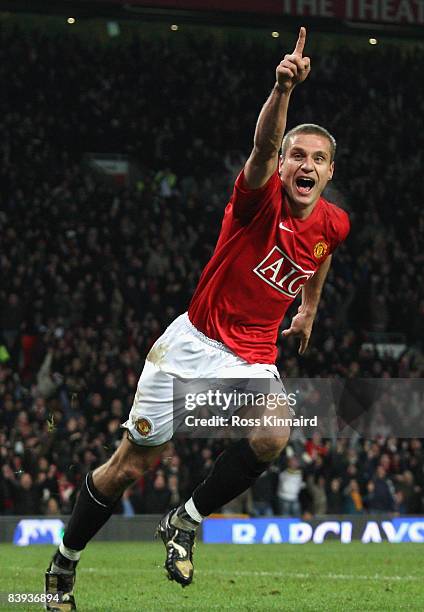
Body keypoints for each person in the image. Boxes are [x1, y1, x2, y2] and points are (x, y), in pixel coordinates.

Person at [45, 27, 349, 609]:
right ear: (283, 165)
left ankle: (183, 520)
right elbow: (260, 149)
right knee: (131, 467)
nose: (305, 165)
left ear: (330, 172)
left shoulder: (333, 223)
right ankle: (67, 558)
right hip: (191, 346)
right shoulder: (258, 198)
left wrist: (308, 307)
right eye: (297, 156)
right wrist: (281, 90)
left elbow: (322, 255)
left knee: (273, 430)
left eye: (318, 159)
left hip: (252, 357)